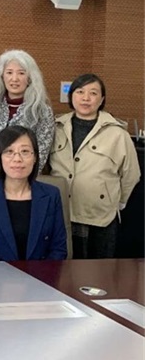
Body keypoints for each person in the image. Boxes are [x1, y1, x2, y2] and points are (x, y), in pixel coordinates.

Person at [49, 74, 140, 259]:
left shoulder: (117, 134)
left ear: (102, 99)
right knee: (62, 269)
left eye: (93, 93)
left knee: (97, 271)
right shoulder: (55, 128)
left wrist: (117, 202)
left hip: (100, 217)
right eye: (80, 92)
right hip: (62, 213)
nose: (86, 98)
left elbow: (131, 174)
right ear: (71, 96)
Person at [0, 125, 67, 261]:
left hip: (41, 272)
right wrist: (6, 274)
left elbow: (59, 248)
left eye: (25, 151)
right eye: (9, 151)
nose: (17, 159)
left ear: (35, 157)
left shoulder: (51, 194)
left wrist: (39, 273)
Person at [0, 49, 54, 170]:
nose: (14, 79)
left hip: (25, 176)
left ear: (30, 78)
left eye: (21, 73)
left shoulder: (42, 111)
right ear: (2, 76)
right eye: (9, 72)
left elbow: (41, 153)